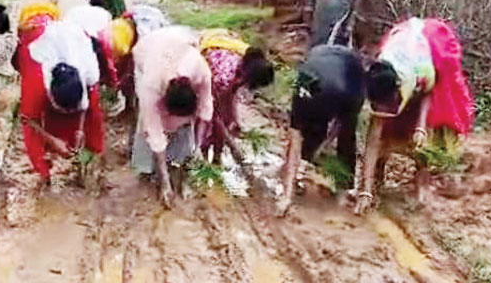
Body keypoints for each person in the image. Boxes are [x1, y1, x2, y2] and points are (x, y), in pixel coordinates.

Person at [352, 17, 475, 215]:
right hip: (402, 47)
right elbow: (373, 140)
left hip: (432, 49)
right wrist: (364, 192)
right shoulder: (379, 78)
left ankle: (421, 182)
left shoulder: (420, 71)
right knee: (386, 132)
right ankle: (375, 179)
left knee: (424, 136)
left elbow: (428, 93)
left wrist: (420, 126)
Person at [11, 1, 104, 185]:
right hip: (34, 31)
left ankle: (88, 164)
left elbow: (88, 106)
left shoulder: (90, 72)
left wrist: (79, 130)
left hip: (72, 37)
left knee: (94, 115)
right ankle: (44, 176)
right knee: (36, 119)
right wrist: (52, 140)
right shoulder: (35, 74)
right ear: (50, 92)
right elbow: (28, 119)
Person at [275, 44, 366, 216]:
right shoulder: (300, 100)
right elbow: (295, 144)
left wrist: (327, 142)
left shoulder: (346, 94)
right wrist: (287, 196)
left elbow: (341, 125)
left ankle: (344, 187)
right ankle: (309, 158)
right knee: (312, 136)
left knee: (347, 135)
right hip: (321, 58)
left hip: (351, 71)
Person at [131, 26, 213, 208]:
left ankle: (180, 160)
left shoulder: (201, 71)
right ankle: (147, 169)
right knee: (147, 122)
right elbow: (154, 131)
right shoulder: (150, 86)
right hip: (148, 51)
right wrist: (165, 183)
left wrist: (198, 147)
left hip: (180, 40)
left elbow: (205, 110)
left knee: (184, 130)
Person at [198, 29, 275, 164]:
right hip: (205, 62)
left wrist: (235, 119)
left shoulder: (246, 65)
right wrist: (232, 146)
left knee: (227, 120)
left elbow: (231, 96)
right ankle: (204, 159)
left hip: (222, 58)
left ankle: (217, 157)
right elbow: (215, 113)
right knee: (207, 121)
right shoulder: (224, 75)